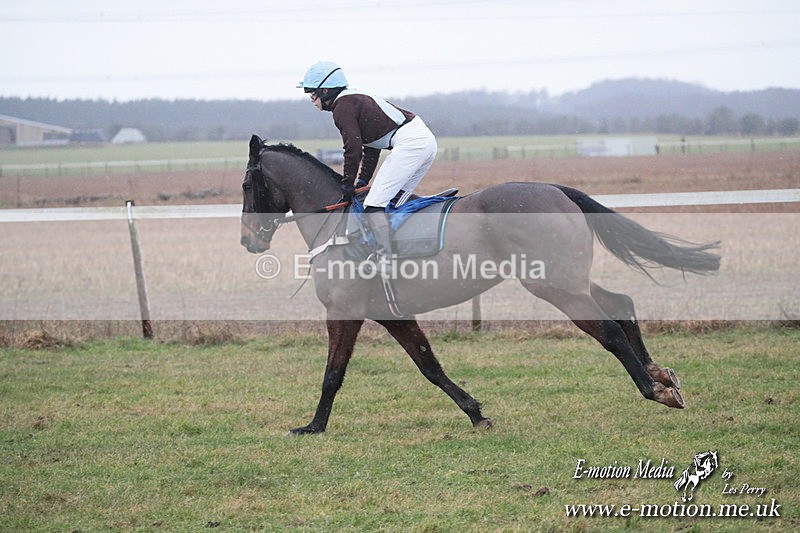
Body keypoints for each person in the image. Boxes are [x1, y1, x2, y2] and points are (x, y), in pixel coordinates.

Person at [297, 61, 438, 277]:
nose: (311, 100)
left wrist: (346, 183)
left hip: (411, 144)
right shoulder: (352, 100)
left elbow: (352, 148)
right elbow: (370, 148)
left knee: (374, 205)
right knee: (395, 203)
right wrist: (361, 182)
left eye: (312, 94)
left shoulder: (342, 107)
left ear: (325, 91)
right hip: (424, 141)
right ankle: (403, 251)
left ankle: (385, 260)